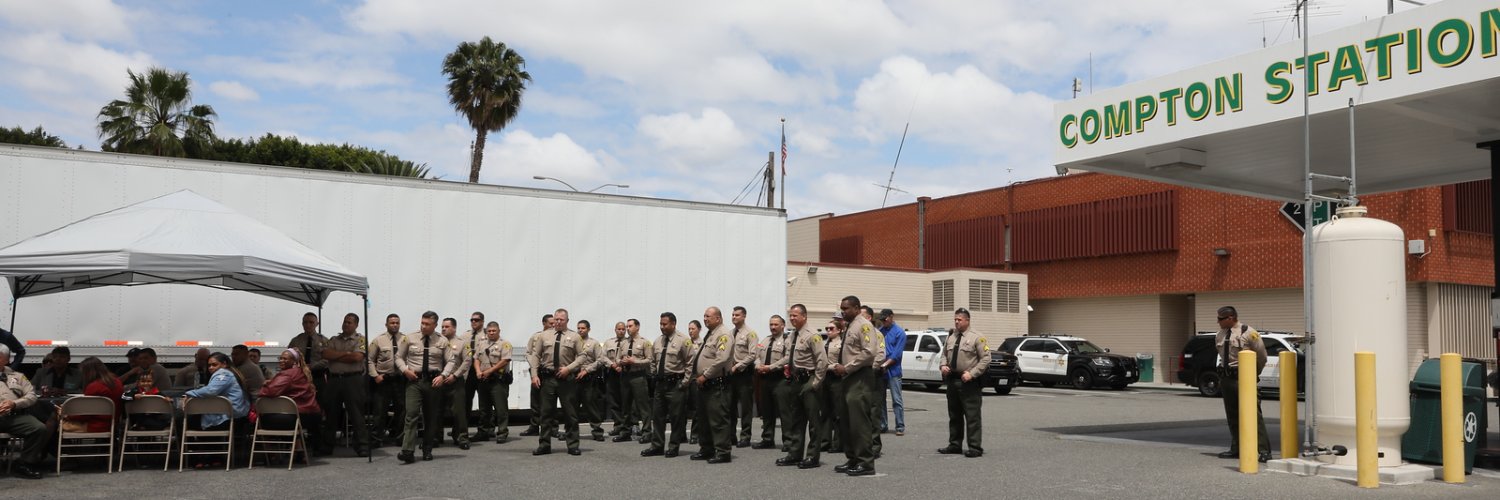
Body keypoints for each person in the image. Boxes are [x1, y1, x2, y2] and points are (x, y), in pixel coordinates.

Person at [394, 311, 456, 464]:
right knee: (411, 414)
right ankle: (407, 450)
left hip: (433, 383)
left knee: (430, 417)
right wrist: (405, 370)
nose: (423, 326)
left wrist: (443, 376)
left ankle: (427, 448)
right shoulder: (409, 338)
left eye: (427, 324)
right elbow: (398, 357)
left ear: (435, 325)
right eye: (422, 323)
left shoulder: (442, 341)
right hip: (414, 381)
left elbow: (451, 360)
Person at [1214, 306, 1271, 463]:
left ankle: (1264, 450)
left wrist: (1253, 374)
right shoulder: (1220, 334)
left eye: (1220, 319)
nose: (1217, 321)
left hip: (1244, 378)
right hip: (1227, 378)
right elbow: (1221, 355)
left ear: (1231, 318)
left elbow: (1261, 356)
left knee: (1253, 414)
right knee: (1232, 415)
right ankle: (1237, 447)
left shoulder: (1249, 332)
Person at [528, 308, 587, 456]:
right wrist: (534, 375)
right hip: (548, 379)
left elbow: (582, 356)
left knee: (570, 413)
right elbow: (536, 355)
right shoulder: (544, 336)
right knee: (546, 413)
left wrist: (569, 368)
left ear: (567, 321)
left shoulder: (574, 337)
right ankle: (544, 445)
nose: (558, 322)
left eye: (562, 319)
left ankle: (573, 445)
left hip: (566, 380)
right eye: (556, 319)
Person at [831, 295, 879, 476]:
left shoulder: (864, 325)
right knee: (847, 421)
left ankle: (866, 463)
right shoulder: (849, 325)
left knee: (859, 422)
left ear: (857, 308)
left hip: (860, 377)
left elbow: (869, 352)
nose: (843, 312)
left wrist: (847, 367)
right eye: (842, 308)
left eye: (846, 308)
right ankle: (852, 458)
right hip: (848, 377)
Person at [776, 304, 827, 469]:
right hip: (796, 380)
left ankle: (812, 456)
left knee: (813, 421)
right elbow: (788, 357)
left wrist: (816, 382)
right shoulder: (792, 336)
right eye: (790, 316)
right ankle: (795, 453)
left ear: (804, 316)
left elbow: (822, 360)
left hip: (809, 380)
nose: (792, 318)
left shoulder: (812, 335)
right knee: (796, 420)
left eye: (795, 316)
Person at [937, 308, 988, 458]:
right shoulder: (951, 337)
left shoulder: (977, 337)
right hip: (953, 380)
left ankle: (975, 447)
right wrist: (943, 366)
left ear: (967, 320)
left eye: (959, 319)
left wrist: (972, 374)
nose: (956, 322)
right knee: (954, 415)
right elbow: (944, 355)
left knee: (972, 416)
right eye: (955, 319)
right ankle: (955, 444)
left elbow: (985, 359)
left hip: (969, 382)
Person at [641, 312, 692, 458]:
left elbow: (690, 363)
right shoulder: (658, 341)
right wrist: (653, 374)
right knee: (657, 416)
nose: (662, 327)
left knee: (676, 417)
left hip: (676, 383)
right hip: (660, 384)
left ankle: (673, 447)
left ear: (673, 324)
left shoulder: (683, 340)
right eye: (660, 324)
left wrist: (685, 382)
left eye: (665, 324)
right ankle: (657, 446)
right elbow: (652, 360)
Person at [321, 312, 370, 456]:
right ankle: (327, 446)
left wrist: (337, 355)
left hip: (352, 380)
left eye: (349, 322)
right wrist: (346, 354)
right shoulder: (334, 339)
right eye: (345, 322)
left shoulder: (360, 339)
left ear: (356, 325)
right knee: (331, 413)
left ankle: (362, 446)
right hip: (334, 379)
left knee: (357, 414)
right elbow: (325, 354)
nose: (346, 324)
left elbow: (357, 357)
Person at [691, 307, 735, 464]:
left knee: (718, 419)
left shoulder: (723, 334)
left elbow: (722, 359)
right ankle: (707, 448)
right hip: (706, 384)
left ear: (718, 318)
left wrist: (705, 375)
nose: (705, 319)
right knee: (704, 419)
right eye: (704, 316)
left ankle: (723, 452)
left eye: (708, 316)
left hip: (717, 383)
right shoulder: (711, 334)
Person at [0, 344, 48, 479]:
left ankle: (24, 464)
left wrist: (14, 403)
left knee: (39, 428)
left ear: (6, 360)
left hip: (13, 416)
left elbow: (32, 396)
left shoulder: (18, 376)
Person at [258, 348, 323, 438]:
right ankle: (297, 448)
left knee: (260, 419)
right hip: (309, 414)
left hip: (296, 417)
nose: (281, 361)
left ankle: (269, 450)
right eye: (280, 358)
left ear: (294, 361)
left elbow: (271, 391)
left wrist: (264, 386)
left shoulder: (287, 374)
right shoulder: (301, 372)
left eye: (285, 359)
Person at [181, 352, 252, 432]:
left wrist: (189, 393)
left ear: (224, 364)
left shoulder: (224, 374)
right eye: (209, 365)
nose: (211, 368)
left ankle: (188, 444)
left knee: (181, 421)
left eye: (214, 365)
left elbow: (211, 390)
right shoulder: (230, 373)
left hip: (229, 417)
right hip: (233, 415)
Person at [368, 313, 405, 444]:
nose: (395, 325)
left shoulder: (406, 339)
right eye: (392, 323)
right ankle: (377, 438)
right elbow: (369, 360)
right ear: (386, 324)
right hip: (384, 380)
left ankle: (400, 438)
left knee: (401, 410)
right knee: (379, 411)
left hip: (400, 380)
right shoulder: (378, 340)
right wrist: (375, 376)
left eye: (397, 323)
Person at [473, 321, 512, 443]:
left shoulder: (505, 344)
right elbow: (476, 359)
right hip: (484, 380)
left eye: (494, 331)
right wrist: (478, 371)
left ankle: (502, 432)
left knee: (500, 408)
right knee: (484, 408)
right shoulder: (481, 344)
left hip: (498, 381)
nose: (491, 333)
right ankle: (484, 432)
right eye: (489, 331)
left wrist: (490, 370)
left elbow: (505, 360)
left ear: (499, 331)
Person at [752, 315, 788, 450]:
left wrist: (770, 367)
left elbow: (787, 358)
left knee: (784, 412)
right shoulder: (765, 340)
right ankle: (767, 438)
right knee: (766, 411)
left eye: (776, 325)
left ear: (782, 326)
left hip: (779, 379)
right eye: (771, 324)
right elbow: (756, 357)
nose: (773, 327)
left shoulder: (787, 341)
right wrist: (758, 366)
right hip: (764, 378)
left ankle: (788, 441)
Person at [613, 319, 651, 443]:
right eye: (627, 326)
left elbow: (650, 360)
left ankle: (646, 432)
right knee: (625, 405)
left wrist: (635, 362)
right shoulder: (624, 343)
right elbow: (617, 358)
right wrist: (621, 361)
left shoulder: (644, 342)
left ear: (637, 327)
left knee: (642, 406)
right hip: (625, 375)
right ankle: (625, 431)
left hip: (638, 376)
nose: (628, 328)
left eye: (630, 326)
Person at [726, 306, 759, 448]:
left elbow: (753, 355)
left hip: (744, 374)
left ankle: (745, 436)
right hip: (731, 375)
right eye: (733, 315)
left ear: (744, 316)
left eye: (737, 315)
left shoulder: (750, 334)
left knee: (745, 408)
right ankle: (731, 436)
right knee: (730, 406)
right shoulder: (730, 333)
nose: (734, 317)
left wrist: (738, 366)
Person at [66, 356, 123, 433]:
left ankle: (53, 444)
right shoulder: (117, 382)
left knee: (57, 419)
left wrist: (67, 415)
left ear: (88, 373)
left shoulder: (93, 387)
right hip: (112, 424)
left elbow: (85, 414)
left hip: (93, 426)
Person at [573, 319, 608, 442]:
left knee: (590, 405)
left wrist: (587, 370)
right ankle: (572, 432)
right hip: (575, 377)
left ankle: (597, 431)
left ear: (588, 329)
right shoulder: (573, 342)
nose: (580, 330)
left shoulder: (594, 343)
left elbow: (600, 360)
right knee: (572, 406)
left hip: (588, 378)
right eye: (578, 328)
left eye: (583, 328)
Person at [519, 314, 553, 437]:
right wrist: (534, 364)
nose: (553, 325)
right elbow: (529, 352)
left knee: (550, 400)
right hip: (536, 370)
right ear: (544, 323)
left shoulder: (556, 336)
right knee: (535, 400)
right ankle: (534, 426)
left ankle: (552, 428)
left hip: (549, 371)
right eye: (550, 323)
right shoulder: (536, 336)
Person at [877, 309, 906, 436]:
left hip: (893, 370)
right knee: (881, 399)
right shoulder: (880, 331)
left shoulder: (899, 332)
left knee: (896, 399)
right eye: (882, 320)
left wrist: (885, 364)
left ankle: (900, 426)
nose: (884, 322)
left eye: (885, 319)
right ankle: (883, 425)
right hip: (881, 370)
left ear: (891, 317)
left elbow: (897, 353)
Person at [685, 319, 703, 445]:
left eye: (693, 329)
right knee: (682, 407)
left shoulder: (703, 343)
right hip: (685, 376)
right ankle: (681, 434)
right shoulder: (685, 343)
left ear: (699, 329)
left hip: (696, 376)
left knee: (697, 407)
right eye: (689, 329)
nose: (691, 331)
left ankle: (695, 434)